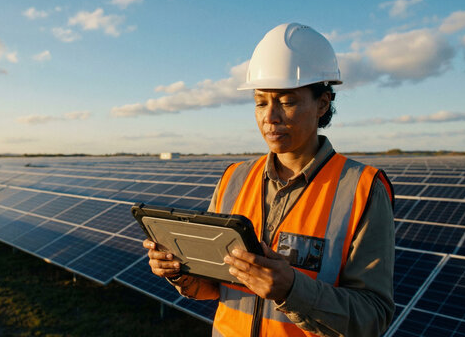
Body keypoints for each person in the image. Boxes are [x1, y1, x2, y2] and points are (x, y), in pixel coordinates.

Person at [143, 22, 395, 337]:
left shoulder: (362, 188)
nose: (270, 116)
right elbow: (213, 287)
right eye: (261, 102)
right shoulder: (234, 177)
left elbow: (373, 318)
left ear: (322, 103)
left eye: (286, 101)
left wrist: (291, 289)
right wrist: (179, 271)